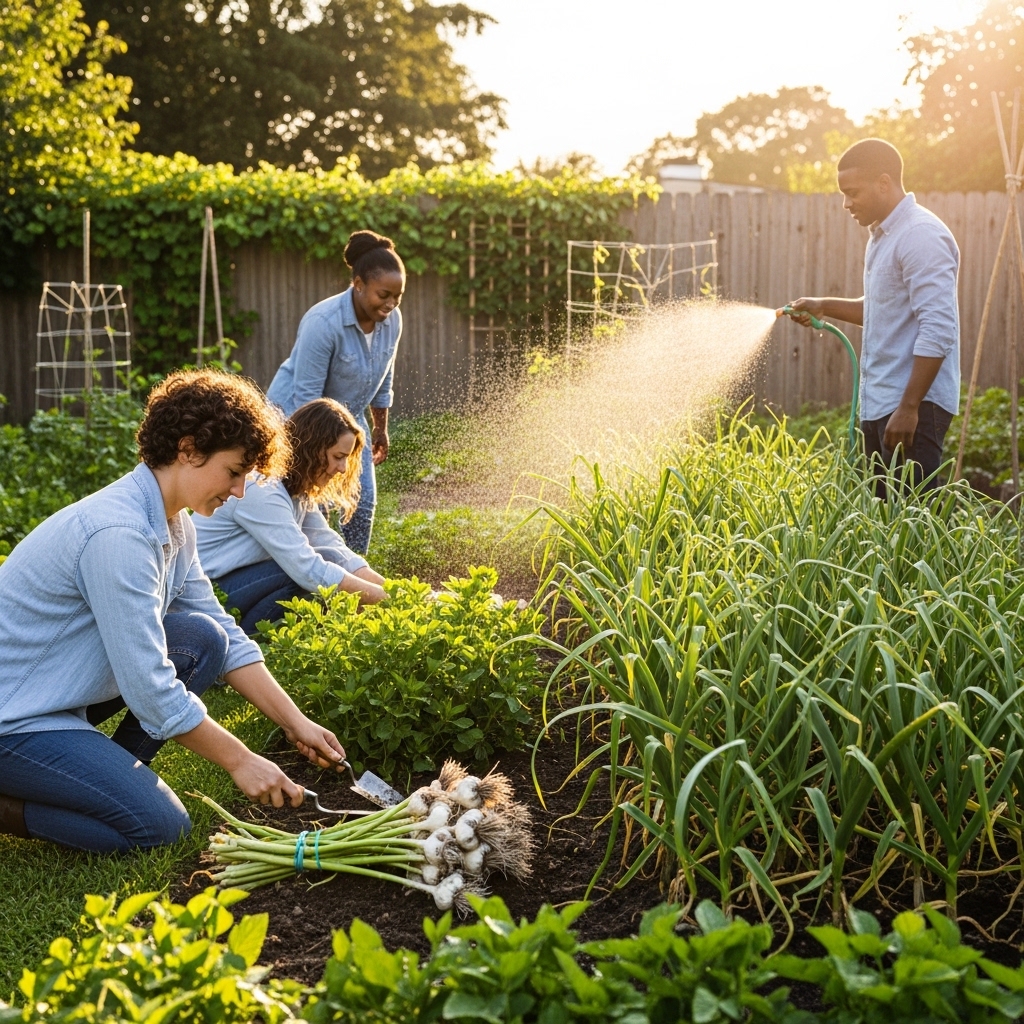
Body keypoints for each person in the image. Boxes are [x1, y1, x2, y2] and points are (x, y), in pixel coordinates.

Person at [0, 371, 347, 853]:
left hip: (54, 691)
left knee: (203, 639)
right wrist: (241, 760)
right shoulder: (118, 534)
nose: (240, 490)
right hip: (13, 718)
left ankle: (100, 781)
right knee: (162, 828)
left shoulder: (174, 523)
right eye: (234, 471)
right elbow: (149, 686)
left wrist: (295, 722)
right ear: (188, 449)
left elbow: (222, 631)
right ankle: (39, 799)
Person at [785, 138, 960, 498]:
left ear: (883, 183)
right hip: (885, 403)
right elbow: (885, 311)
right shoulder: (883, 236)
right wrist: (823, 305)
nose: (846, 203)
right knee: (886, 527)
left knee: (912, 530)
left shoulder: (920, 235)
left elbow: (940, 328)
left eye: (852, 192)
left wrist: (909, 407)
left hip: (912, 406)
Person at [195, 397, 387, 636]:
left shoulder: (297, 491)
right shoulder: (262, 488)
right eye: (338, 456)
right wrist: (386, 602)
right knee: (297, 574)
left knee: (326, 558)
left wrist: (402, 594)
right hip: (205, 596)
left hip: (239, 586)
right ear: (314, 448)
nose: (343, 468)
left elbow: (334, 549)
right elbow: (307, 569)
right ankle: (248, 641)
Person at [267, 229, 405, 554]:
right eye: (383, 294)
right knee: (314, 505)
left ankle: (353, 578)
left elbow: (384, 376)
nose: (390, 304)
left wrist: (380, 427)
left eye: (397, 296)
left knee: (362, 502)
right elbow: (307, 397)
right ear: (358, 284)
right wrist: (318, 453)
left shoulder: (392, 320)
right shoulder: (323, 323)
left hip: (349, 418)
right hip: (298, 419)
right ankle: (315, 580)